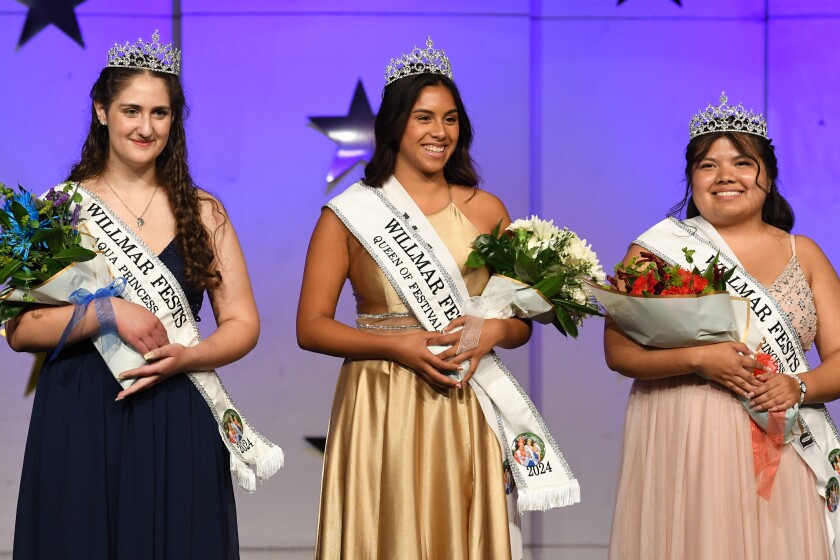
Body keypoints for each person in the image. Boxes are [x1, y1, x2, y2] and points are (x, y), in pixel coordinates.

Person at [7, 31, 280, 560]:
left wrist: (190, 356)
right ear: (102, 111)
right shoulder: (59, 210)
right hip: (82, 412)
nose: (146, 126)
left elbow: (243, 323)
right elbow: (20, 331)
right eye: (132, 110)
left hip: (178, 406)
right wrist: (106, 311)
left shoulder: (204, 211)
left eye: (160, 113)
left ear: (174, 120)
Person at [297, 38, 546, 559]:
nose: (440, 132)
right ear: (394, 125)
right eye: (424, 117)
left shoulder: (485, 208)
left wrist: (495, 331)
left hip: (465, 395)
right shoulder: (349, 214)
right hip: (380, 400)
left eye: (451, 119)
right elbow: (311, 326)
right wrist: (396, 346)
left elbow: (521, 321)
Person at [604, 93, 840, 559]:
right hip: (686, 433)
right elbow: (618, 353)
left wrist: (799, 385)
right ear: (692, 180)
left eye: (742, 163)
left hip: (780, 432)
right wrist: (697, 358)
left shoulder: (804, 253)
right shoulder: (657, 250)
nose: (725, 175)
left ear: (767, 177)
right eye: (707, 165)